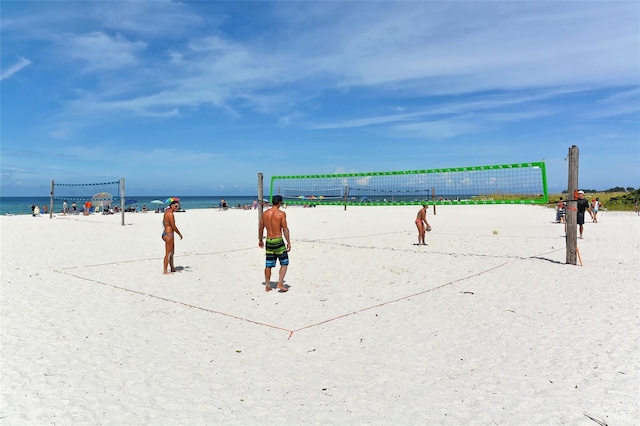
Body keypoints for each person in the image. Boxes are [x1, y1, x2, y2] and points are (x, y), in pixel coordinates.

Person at [258, 195, 291, 292]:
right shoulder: (281, 214)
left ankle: (267, 286)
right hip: (278, 240)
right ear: (279, 203)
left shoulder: (265, 214)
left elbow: (260, 228)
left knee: (268, 264)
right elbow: (285, 229)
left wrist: (260, 240)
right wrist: (288, 242)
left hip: (269, 241)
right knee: (284, 262)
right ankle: (280, 283)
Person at [162, 200, 183, 274]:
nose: (177, 208)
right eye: (176, 206)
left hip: (166, 233)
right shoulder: (170, 214)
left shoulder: (167, 212)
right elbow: (173, 226)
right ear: (171, 206)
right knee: (168, 253)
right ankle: (165, 270)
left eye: (178, 206)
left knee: (171, 252)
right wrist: (179, 233)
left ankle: (172, 267)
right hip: (169, 234)